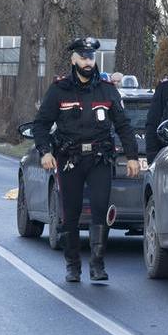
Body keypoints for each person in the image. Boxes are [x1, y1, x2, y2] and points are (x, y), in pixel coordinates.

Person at [32, 37, 142, 283]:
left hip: (99, 158)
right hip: (70, 159)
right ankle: (73, 265)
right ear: (73, 59)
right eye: (83, 57)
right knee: (71, 213)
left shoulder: (106, 89)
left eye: (91, 57)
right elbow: (41, 125)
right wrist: (45, 151)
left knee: (100, 209)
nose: (88, 62)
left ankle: (97, 264)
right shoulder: (59, 90)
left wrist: (132, 156)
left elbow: (123, 125)